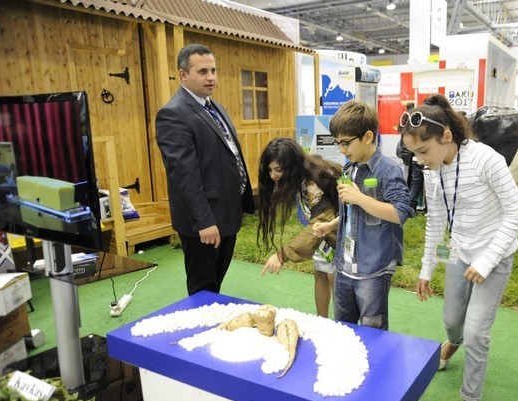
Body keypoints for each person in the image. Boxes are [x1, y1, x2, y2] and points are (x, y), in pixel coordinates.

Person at [400, 94, 518, 401]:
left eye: (423, 151)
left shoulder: (486, 159)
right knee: (453, 321)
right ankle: (452, 343)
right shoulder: (432, 170)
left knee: (476, 332)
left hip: (494, 257)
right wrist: (426, 269)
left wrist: (487, 261)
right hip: (460, 253)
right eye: (414, 154)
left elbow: (517, 212)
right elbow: (436, 221)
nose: (419, 160)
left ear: (446, 136)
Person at [156, 43, 255, 296]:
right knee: (203, 289)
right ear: (183, 75)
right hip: (204, 222)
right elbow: (184, 176)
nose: (211, 77)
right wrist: (205, 222)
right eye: (202, 72)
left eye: (213, 70)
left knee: (215, 284)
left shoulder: (215, 106)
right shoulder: (173, 114)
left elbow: (229, 155)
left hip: (225, 214)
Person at [313, 100, 414, 330]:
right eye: (338, 143)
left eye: (346, 143)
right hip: (344, 267)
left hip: (373, 270)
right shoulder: (349, 168)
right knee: (343, 329)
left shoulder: (389, 170)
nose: (341, 149)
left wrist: (359, 198)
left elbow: (400, 213)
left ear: (368, 137)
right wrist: (331, 225)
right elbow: (352, 213)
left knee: (372, 331)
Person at [257, 137, 342, 318]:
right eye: (270, 170)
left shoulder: (313, 181)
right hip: (325, 234)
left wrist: (282, 255)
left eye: (278, 169)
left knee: (335, 277)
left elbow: (320, 222)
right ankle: (321, 321)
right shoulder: (304, 174)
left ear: (292, 165)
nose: (273, 175)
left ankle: (341, 324)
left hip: (340, 235)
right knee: (320, 272)